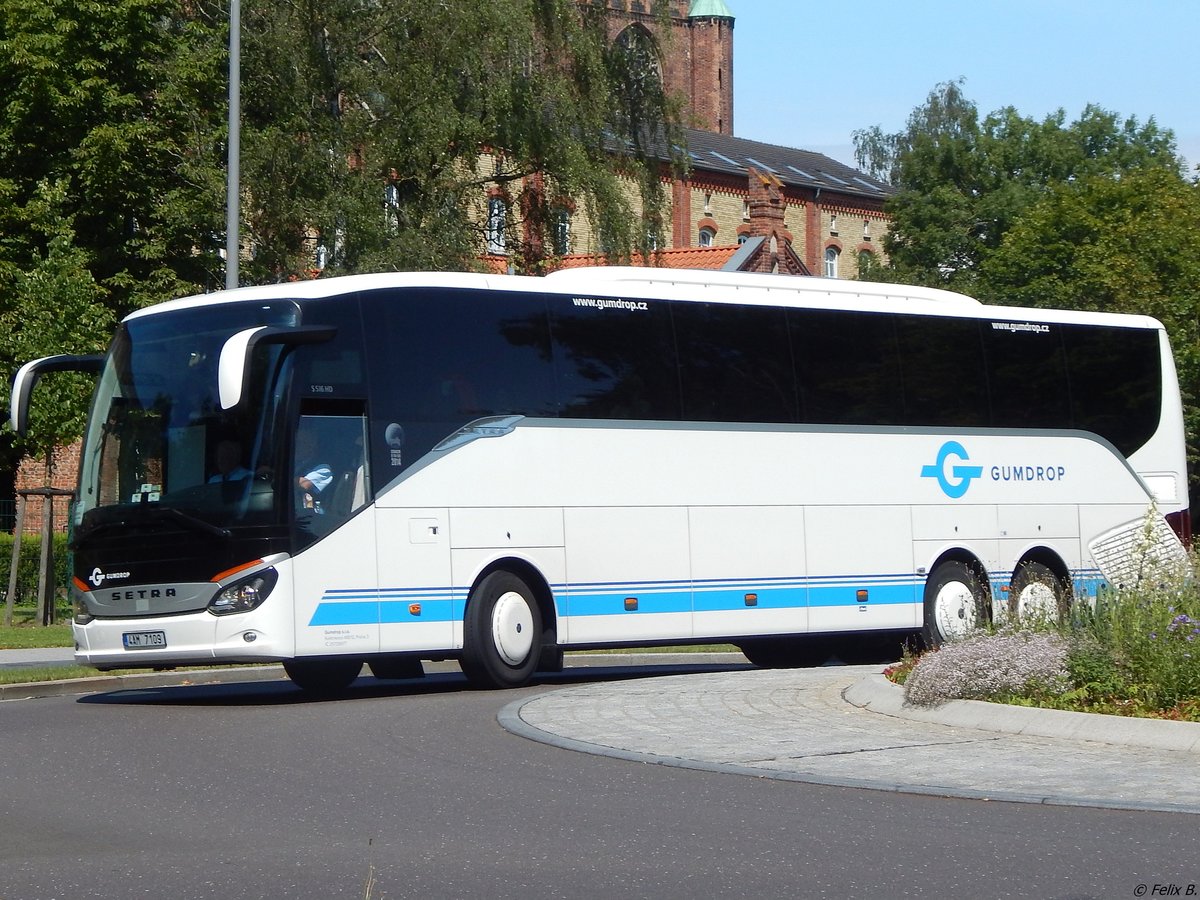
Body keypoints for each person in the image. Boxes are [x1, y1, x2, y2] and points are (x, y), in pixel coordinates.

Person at [295, 428, 333, 515]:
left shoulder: (323, 468)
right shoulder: (293, 464)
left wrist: (278, 476)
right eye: (296, 442)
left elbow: (305, 485)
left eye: (301, 443)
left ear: (312, 447)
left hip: (314, 519)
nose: (296, 446)